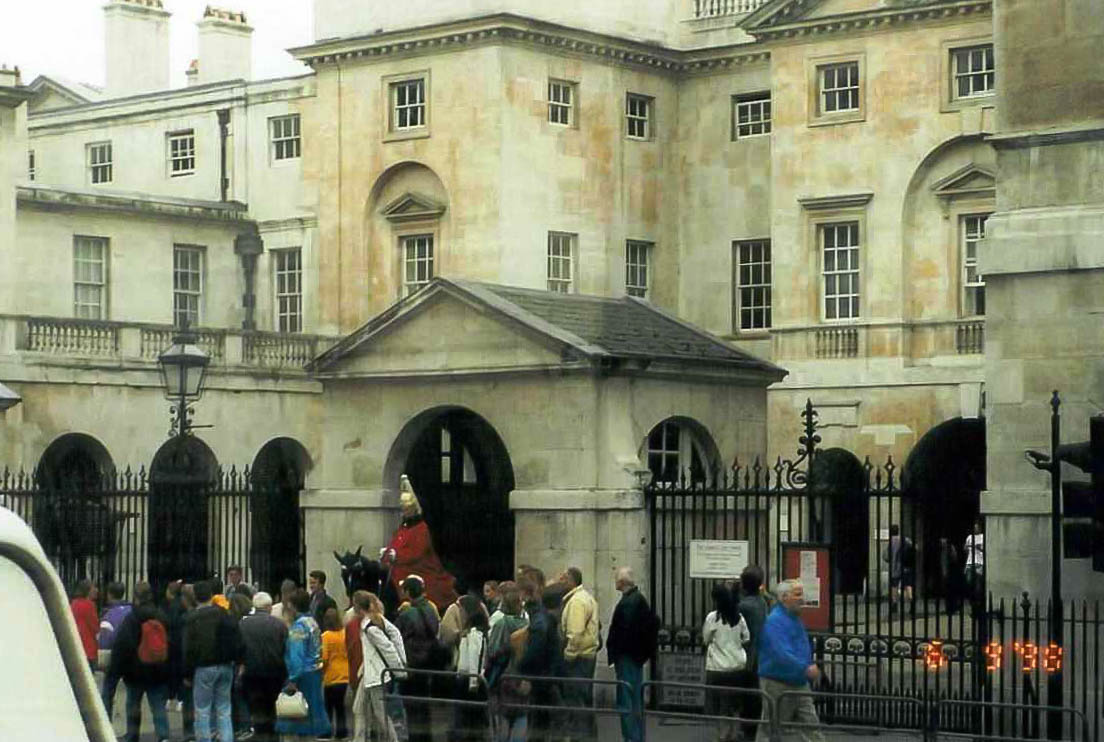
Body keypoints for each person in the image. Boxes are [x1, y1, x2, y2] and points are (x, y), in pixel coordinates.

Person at [755, 579, 825, 742]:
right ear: (784, 597)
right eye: (797, 594)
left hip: (797, 680)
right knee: (772, 727)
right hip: (778, 681)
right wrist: (805, 667)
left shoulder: (793, 618)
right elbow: (781, 652)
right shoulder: (775, 621)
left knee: (810, 724)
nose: (802, 598)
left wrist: (807, 665)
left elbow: (798, 647)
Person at [383, 475, 459, 611]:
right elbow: (395, 544)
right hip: (399, 566)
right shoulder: (403, 528)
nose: (403, 512)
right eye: (403, 509)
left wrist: (397, 556)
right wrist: (387, 552)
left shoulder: (421, 528)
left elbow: (418, 552)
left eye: (406, 509)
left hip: (417, 567)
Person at [109, 581, 172, 742]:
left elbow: (124, 646)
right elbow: (170, 642)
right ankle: (163, 736)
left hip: (135, 671)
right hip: (158, 669)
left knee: (133, 704)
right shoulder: (161, 615)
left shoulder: (132, 618)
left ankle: (132, 735)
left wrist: (117, 670)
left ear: (136, 597)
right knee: (158, 705)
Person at [185, 579, 243, 742]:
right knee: (224, 709)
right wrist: (239, 661)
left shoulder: (192, 618)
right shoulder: (224, 613)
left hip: (203, 667)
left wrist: (187, 673)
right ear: (212, 595)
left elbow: (189, 649)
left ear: (195, 597)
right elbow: (237, 638)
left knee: (202, 710)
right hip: (225, 665)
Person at [275, 588, 332, 739]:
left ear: (293, 606)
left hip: (302, 676)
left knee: (294, 718)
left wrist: (293, 679)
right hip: (315, 672)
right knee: (311, 717)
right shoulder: (312, 622)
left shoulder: (298, 627)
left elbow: (296, 656)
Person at [607, 567, 655, 742]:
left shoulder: (628, 603)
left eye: (616, 579)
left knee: (627, 699)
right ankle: (637, 736)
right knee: (635, 698)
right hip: (635, 657)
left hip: (627, 657)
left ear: (622, 582)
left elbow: (624, 633)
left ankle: (631, 737)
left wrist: (615, 651)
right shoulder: (638, 600)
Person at [354, 591, 405, 742]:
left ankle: (392, 740)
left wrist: (399, 669)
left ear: (358, 607)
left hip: (376, 676)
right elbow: (395, 634)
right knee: (359, 707)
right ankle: (359, 739)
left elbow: (387, 647)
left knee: (379, 713)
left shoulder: (370, 628)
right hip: (370, 673)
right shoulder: (376, 620)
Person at [702, 583, 750, 742]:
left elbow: (706, 639)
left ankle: (723, 736)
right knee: (735, 705)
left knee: (720, 706)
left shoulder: (712, 618)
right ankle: (734, 734)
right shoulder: (739, 617)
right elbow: (746, 638)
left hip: (717, 667)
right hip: (737, 666)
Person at [395, 575, 441, 742]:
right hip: (428, 663)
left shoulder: (407, 614)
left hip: (412, 664)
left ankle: (415, 737)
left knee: (412, 706)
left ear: (408, 592)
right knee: (425, 705)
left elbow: (397, 636)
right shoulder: (431, 608)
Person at [239, 591, 288, 742]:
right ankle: (272, 734)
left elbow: (239, 648)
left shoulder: (243, 624)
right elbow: (285, 648)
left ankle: (260, 733)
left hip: (252, 671)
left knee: (256, 704)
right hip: (275, 671)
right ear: (269, 607)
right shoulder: (279, 625)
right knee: (272, 704)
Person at [484, 581, 529, 742]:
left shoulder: (501, 623)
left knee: (501, 719)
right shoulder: (527, 623)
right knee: (521, 715)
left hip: (503, 677)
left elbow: (492, 651)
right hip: (522, 675)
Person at [559, 566, 599, 742]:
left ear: (571, 581)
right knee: (584, 701)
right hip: (587, 656)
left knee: (576, 703)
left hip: (578, 658)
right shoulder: (585, 598)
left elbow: (574, 634)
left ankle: (581, 738)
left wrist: (568, 655)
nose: (561, 581)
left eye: (564, 578)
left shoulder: (576, 602)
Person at [737, 566, 769, 741]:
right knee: (754, 694)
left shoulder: (745, 606)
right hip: (760, 654)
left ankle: (748, 731)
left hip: (749, 656)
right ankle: (751, 729)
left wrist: (733, 591)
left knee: (748, 696)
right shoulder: (761, 601)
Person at [454, 594, 490, 742]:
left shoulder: (474, 633)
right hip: (466, 678)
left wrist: (473, 682)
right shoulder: (472, 631)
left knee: (469, 720)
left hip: (469, 681)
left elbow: (475, 656)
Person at [99, 580, 132, 719]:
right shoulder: (131, 610)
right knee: (133, 693)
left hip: (115, 656)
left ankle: (106, 718)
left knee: (108, 690)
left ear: (109, 595)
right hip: (132, 655)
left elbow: (105, 639)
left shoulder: (108, 615)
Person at [320, 607, 350, 740]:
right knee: (340, 707)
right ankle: (341, 732)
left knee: (328, 706)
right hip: (344, 675)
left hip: (331, 677)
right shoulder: (345, 634)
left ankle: (326, 732)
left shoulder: (326, 636)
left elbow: (324, 657)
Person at [70, 578, 100, 671]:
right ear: (87, 590)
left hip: (77, 645)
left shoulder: (74, 603)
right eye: (93, 587)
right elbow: (95, 627)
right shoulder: (89, 605)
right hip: (88, 647)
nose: (96, 590)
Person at [884, 524, 915, 611]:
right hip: (906, 566)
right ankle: (911, 600)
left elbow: (886, 556)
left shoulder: (891, 542)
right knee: (908, 585)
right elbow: (914, 547)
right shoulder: (905, 539)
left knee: (894, 586)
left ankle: (894, 604)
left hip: (895, 568)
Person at [964, 519, 985, 603]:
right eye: (974, 528)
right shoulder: (969, 537)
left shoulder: (983, 537)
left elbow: (985, 549)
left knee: (978, 581)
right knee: (968, 581)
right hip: (970, 562)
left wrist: (978, 547)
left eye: (977, 528)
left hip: (979, 562)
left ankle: (978, 599)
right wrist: (968, 547)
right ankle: (971, 597)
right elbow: (965, 548)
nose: (975, 529)